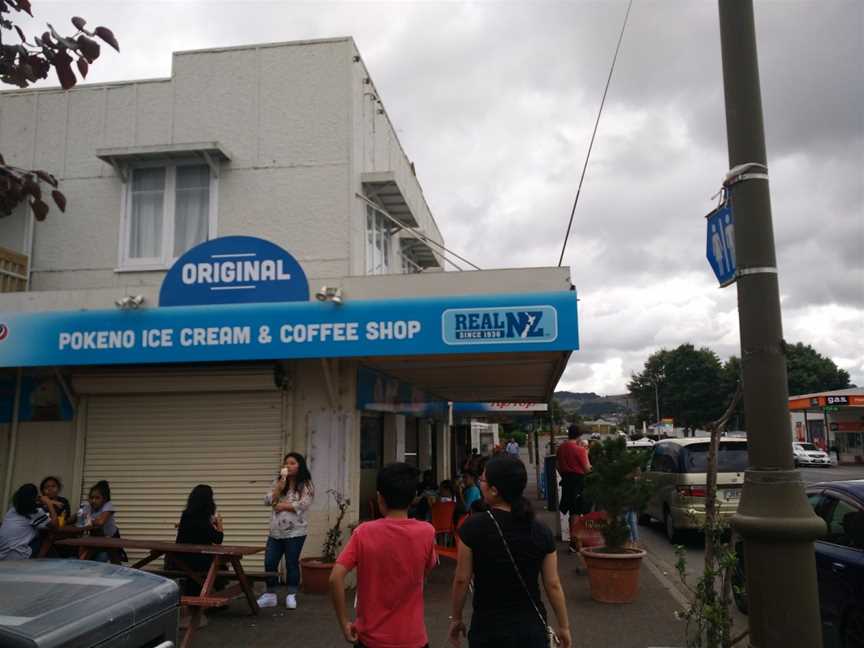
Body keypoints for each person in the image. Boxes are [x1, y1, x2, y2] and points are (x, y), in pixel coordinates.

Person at [448, 455, 571, 648]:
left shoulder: (472, 528)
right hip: (531, 630)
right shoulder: (541, 531)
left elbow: (462, 579)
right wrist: (564, 626)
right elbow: (553, 584)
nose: (480, 483)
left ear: (495, 490)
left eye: (483, 480)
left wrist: (456, 618)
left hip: (488, 629)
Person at [330, 462, 437, 648]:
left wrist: (344, 622)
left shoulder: (363, 532)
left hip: (370, 639)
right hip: (413, 638)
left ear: (380, 498)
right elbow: (425, 571)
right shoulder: (427, 532)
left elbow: (335, 578)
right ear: (413, 498)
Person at [258, 452, 314, 610]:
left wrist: (283, 506)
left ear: (299, 466)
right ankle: (270, 595)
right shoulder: (278, 481)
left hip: (296, 532)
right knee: (270, 562)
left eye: (292, 463)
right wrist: (278, 488)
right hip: (275, 532)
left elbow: (304, 504)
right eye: (286, 463)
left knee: (291, 563)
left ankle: (291, 594)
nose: (288, 466)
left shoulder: (306, 484)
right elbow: (267, 501)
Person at [173, 485, 224, 594]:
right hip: (198, 562)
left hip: (178, 560)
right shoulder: (203, 517)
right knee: (220, 566)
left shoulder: (186, 515)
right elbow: (218, 539)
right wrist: (219, 523)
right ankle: (215, 597)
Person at [556, 424, 592, 558]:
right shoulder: (580, 449)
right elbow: (587, 468)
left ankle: (573, 542)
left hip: (567, 482)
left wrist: (565, 475)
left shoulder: (561, 448)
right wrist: (587, 454)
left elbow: (557, 466)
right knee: (582, 511)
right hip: (579, 481)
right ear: (579, 435)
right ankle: (579, 543)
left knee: (572, 511)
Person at [0, 484, 55, 560]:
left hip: (2, 555)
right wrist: (50, 504)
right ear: (34, 498)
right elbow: (55, 525)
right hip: (18, 556)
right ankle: (38, 560)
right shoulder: (35, 512)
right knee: (49, 536)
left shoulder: (12, 510)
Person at [76, 480, 121, 562]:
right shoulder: (88, 506)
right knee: (83, 549)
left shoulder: (108, 505)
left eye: (97, 498)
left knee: (112, 558)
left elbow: (100, 522)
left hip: (111, 538)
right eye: (91, 498)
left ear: (104, 499)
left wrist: (88, 520)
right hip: (96, 536)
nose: (93, 500)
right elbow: (76, 517)